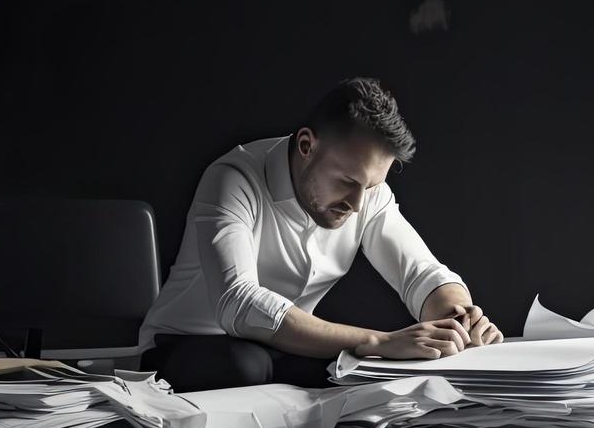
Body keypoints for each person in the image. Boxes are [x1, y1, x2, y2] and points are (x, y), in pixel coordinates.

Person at [138, 76, 502, 393]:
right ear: (307, 146)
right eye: (347, 181)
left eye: (371, 186)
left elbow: (420, 273)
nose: (358, 204)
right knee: (247, 366)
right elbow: (239, 302)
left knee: (370, 379)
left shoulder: (367, 196)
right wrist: (379, 341)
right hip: (185, 344)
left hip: (284, 351)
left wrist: (458, 318)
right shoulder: (232, 178)